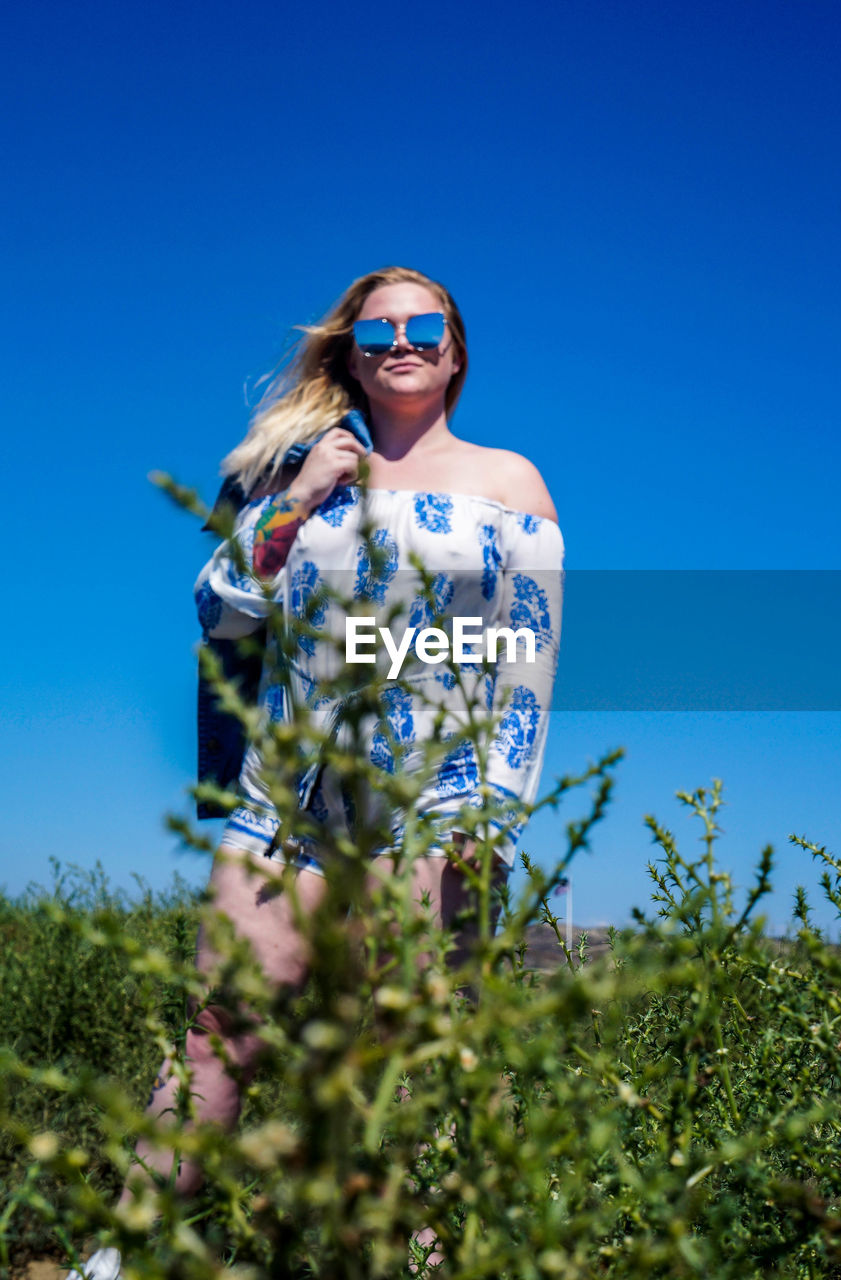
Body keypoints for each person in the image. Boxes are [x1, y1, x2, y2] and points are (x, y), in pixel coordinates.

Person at [69, 266, 562, 1280]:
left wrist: (492, 813)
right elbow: (221, 608)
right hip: (283, 810)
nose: (403, 341)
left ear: (456, 348)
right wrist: (294, 499)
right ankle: (129, 1252)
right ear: (350, 351)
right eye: (378, 329)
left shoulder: (510, 483)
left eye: (424, 324)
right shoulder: (294, 474)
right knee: (216, 1031)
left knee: (411, 1062)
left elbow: (525, 658)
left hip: (430, 811)